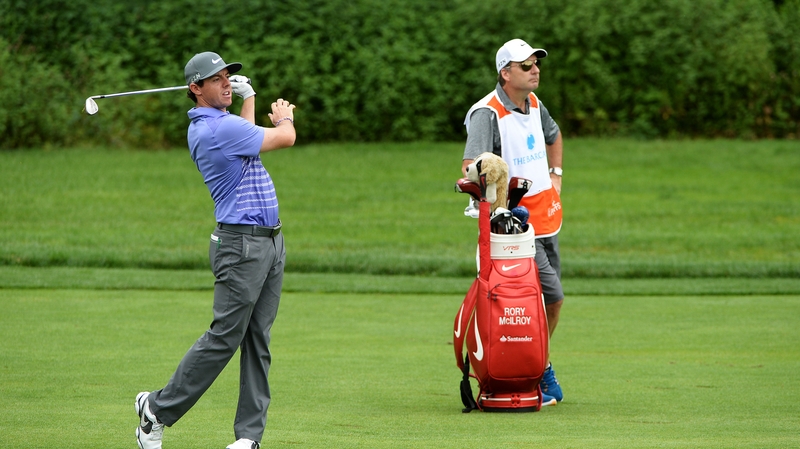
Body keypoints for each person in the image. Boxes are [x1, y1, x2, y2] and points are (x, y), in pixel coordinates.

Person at [135, 51, 296, 449]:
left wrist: (248, 98)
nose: (226, 82)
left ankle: (248, 438)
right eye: (216, 79)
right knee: (225, 337)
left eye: (228, 76)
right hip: (242, 245)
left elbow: (248, 142)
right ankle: (156, 410)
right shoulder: (214, 130)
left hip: (270, 241)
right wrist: (283, 117)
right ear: (195, 89)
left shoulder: (223, 125)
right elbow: (283, 138)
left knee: (258, 339)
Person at [461, 38, 565, 405]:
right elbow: (469, 169)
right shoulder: (486, 113)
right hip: (511, 229)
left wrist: (556, 175)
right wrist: (492, 178)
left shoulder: (534, 103)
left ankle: (535, 366)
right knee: (544, 299)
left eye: (536, 63)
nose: (535, 69)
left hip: (546, 217)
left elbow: (554, 137)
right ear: (506, 73)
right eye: (526, 65)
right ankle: (536, 370)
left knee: (551, 301)